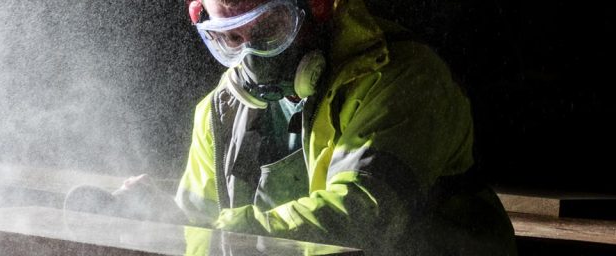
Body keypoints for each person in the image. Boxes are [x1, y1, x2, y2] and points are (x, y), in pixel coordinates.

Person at [170, 0, 518, 254]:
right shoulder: (220, 110)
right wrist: (154, 216)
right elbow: (198, 228)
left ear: (317, 7)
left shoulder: (405, 79)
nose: (251, 57)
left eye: (269, 30)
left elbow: (361, 218)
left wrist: (222, 228)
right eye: (231, 38)